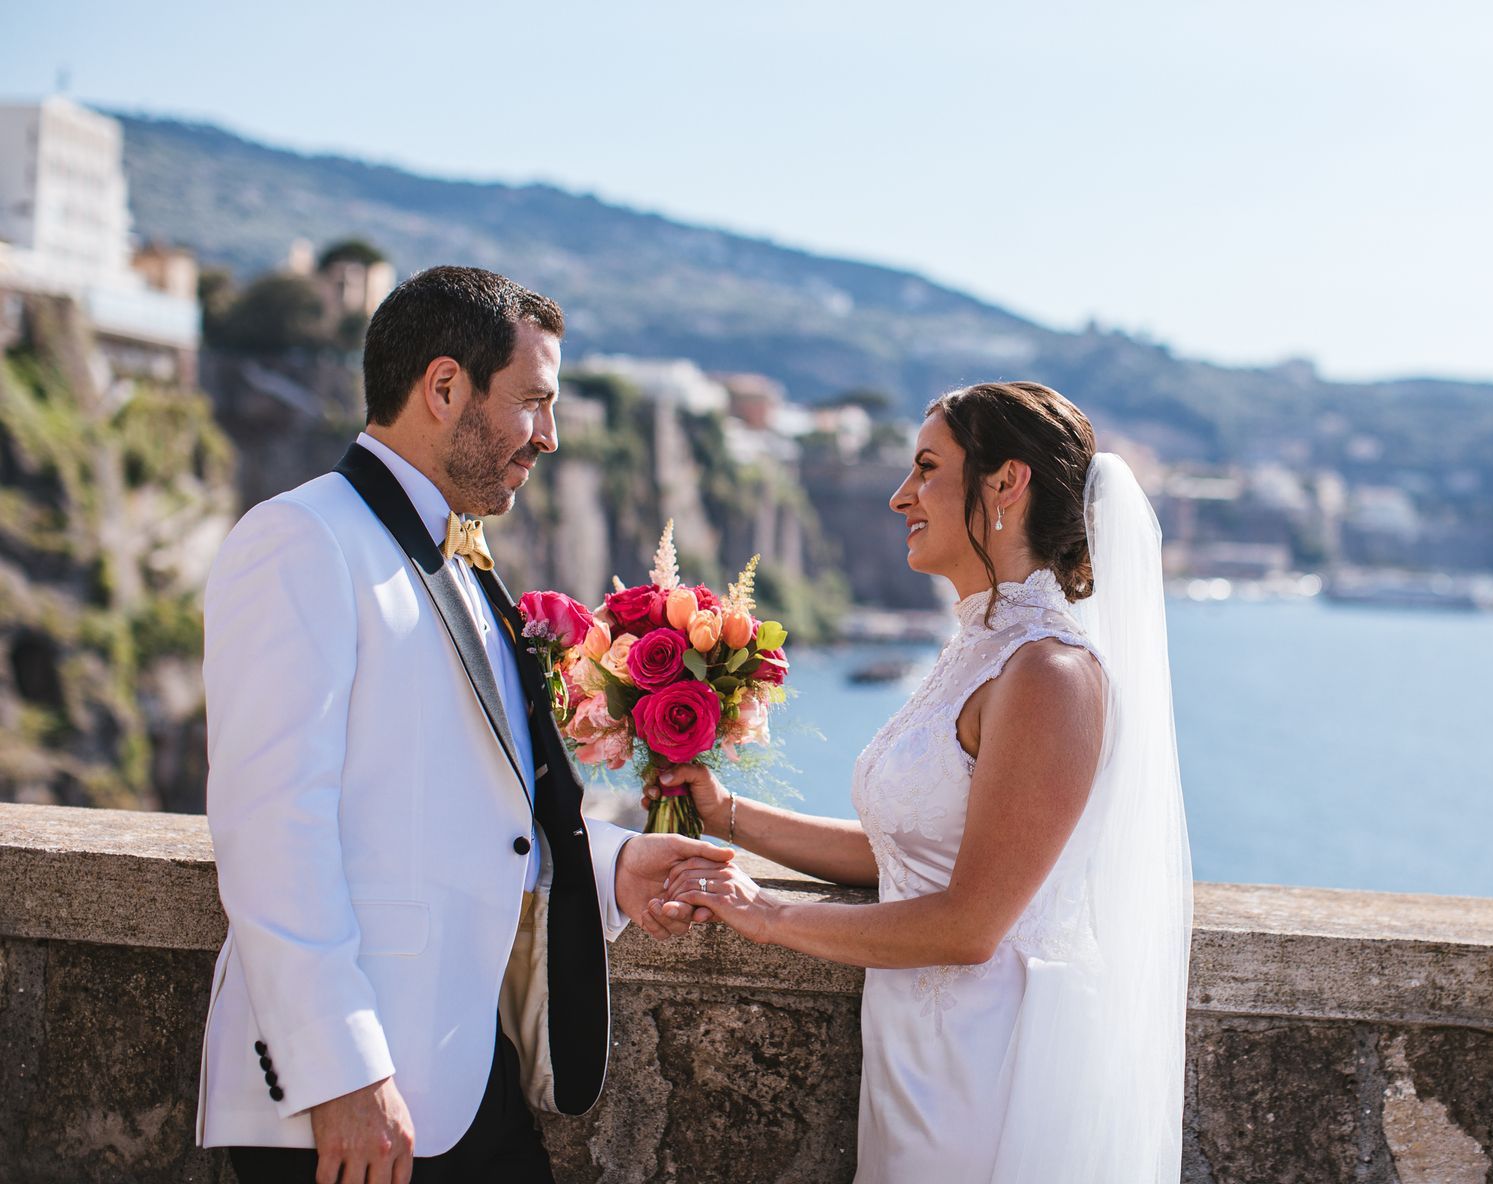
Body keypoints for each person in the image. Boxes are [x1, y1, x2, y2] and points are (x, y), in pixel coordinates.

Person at [197, 266, 729, 1183]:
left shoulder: (459, 558)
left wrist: (608, 866)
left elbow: (467, 805)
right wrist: (343, 1071)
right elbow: (269, 829)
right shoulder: (303, 541)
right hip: (353, 1097)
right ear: (444, 388)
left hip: (462, 1071)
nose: (550, 437)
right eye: (533, 403)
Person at [649, 381, 1194, 1182]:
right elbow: (907, 856)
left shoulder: (1050, 673)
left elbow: (970, 922)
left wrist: (764, 915)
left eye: (929, 467)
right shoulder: (978, 649)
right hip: (915, 1055)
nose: (902, 495)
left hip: (988, 1073)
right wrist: (728, 814)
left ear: (1006, 483)